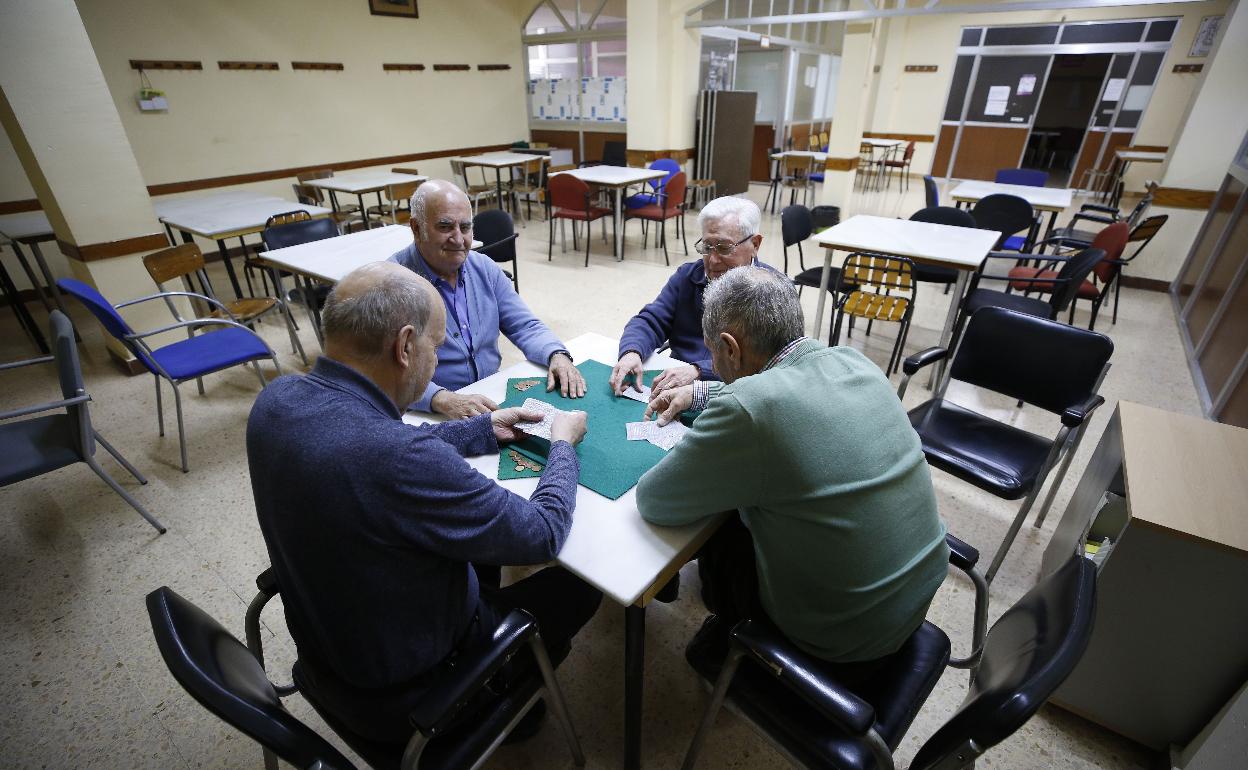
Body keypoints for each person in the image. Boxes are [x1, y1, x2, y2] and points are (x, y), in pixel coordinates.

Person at [247, 262, 601, 745]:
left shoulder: (275, 400)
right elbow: (542, 533)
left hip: (328, 646)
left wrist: (483, 428)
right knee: (582, 587)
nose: (436, 360)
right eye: (436, 346)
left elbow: (364, 443)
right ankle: (505, 697)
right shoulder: (403, 458)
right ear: (405, 346)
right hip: (416, 687)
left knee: (478, 553)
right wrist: (561, 442)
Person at [637, 266, 949, 671]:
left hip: (837, 636)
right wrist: (700, 391)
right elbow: (782, 389)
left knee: (721, 529)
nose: (712, 361)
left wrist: (723, 406)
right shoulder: (853, 361)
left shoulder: (750, 409)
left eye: (712, 353)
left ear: (730, 348)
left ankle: (732, 643)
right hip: (912, 598)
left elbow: (656, 501)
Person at [390, 179, 586, 418]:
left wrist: (557, 354)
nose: (458, 239)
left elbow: (524, 325)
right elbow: (386, 373)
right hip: (429, 412)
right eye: (444, 227)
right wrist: (441, 399)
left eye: (465, 227)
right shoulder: (393, 283)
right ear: (416, 228)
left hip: (489, 398)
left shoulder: (483, 267)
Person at [609, 196, 781, 397]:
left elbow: (767, 363)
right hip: (674, 380)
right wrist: (632, 351)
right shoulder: (688, 276)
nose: (713, 260)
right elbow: (651, 320)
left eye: (724, 248)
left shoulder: (774, 293)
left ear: (755, 244)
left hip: (733, 394)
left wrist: (699, 371)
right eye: (707, 247)